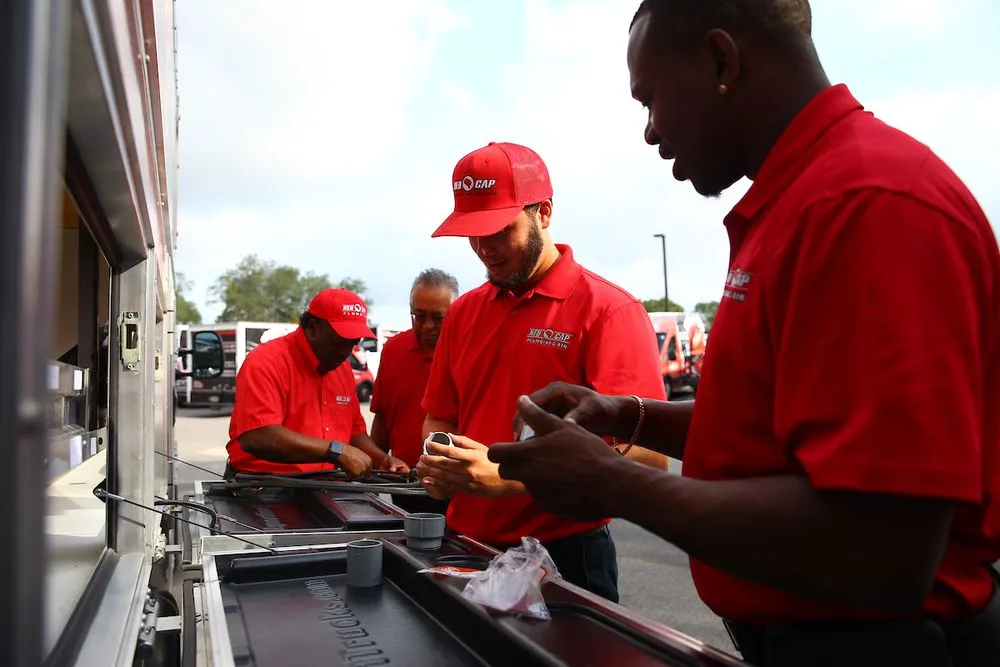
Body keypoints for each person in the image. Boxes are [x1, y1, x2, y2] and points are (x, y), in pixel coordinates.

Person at [488, 2, 1000, 666]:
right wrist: (626, 415)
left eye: (651, 99)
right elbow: (773, 431)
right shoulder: (802, 198)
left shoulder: (866, 202)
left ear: (722, 60)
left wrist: (612, 482)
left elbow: (883, 546)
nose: (649, 131)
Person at [415, 141, 671, 603]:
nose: (484, 249)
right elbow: (440, 417)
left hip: (565, 555)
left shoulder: (609, 310)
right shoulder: (464, 311)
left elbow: (648, 456)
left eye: (498, 230)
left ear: (544, 212)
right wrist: (439, 459)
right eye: (472, 233)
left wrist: (514, 477)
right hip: (466, 544)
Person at [225, 288, 409, 478]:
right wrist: (335, 451)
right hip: (263, 485)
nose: (346, 351)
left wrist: (383, 460)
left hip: (323, 484)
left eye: (353, 342)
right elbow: (258, 436)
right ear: (313, 327)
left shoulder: (342, 368)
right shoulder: (266, 361)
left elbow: (354, 433)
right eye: (341, 341)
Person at [370, 269, 459, 513]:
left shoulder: (468, 351)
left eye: (437, 318)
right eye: (419, 316)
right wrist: (375, 468)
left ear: (455, 312)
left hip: (453, 481)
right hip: (404, 479)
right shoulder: (394, 350)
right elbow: (382, 416)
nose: (427, 326)